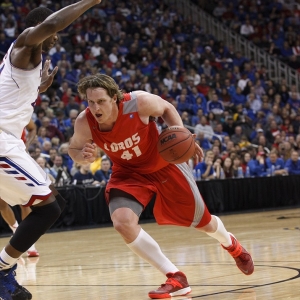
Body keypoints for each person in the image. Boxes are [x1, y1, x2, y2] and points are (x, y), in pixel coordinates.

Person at [68, 74, 254, 299]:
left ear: (115, 98)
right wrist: (82, 156)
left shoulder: (138, 102)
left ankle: (231, 245)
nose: (95, 107)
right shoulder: (85, 121)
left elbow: (166, 108)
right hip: (128, 173)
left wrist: (182, 134)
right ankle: (175, 277)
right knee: (123, 222)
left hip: (164, 165)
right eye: (90, 102)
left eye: (101, 101)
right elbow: (74, 148)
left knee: (204, 223)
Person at [0, 1, 102, 299]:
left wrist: (38, 88)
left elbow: (13, 96)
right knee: (49, 207)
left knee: (48, 205)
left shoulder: (27, 60)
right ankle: (3, 271)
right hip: (2, 141)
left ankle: (5, 271)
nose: (56, 35)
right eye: (52, 29)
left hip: (9, 142)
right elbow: (48, 27)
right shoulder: (25, 44)